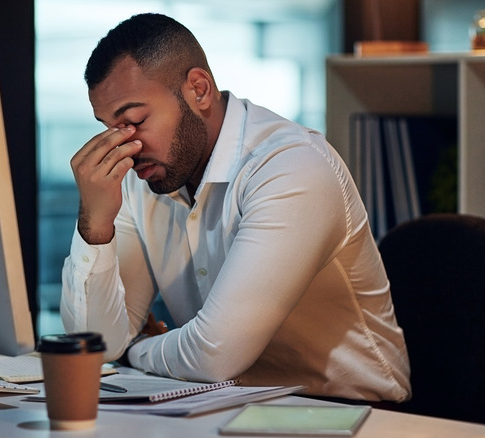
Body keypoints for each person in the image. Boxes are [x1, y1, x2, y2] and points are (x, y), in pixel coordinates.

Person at [60, 12, 411, 402]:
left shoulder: (291, 167)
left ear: (199, 90)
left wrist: (136, 349)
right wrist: (95, 225)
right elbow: (93, 347)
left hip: (353, 412)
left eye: (135, 121)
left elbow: (212, 356)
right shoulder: (141, 177)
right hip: (227, 406)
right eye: (109, 127)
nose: (123, 146)